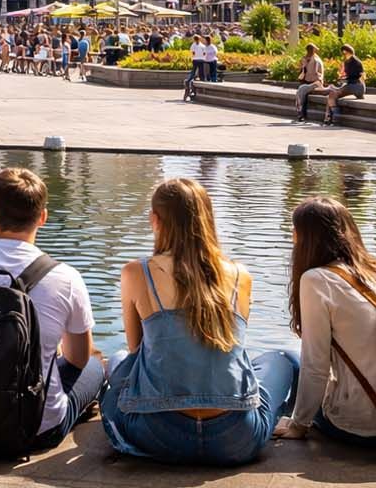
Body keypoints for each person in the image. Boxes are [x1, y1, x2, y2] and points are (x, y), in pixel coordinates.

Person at [99, 178, 297, 466]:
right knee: (280, 361)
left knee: (117, 359)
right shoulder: (240, 275)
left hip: (158, 435)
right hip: (235, 438)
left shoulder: (136, 273)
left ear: (155, 220)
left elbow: (137, 351)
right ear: (207, 219)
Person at [0, 167, 103, 452]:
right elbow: (78, 358)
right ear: (43, 217)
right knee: (96, 366)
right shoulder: (66, 277)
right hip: (32, 430)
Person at [273, 197, 376, 448]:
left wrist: (299, 425)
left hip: (362, 425)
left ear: (306, 238)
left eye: (295, 231)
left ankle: (288, 425)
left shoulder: (317, 279)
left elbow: (316, 365)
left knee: (287, 362)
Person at [323, 45, 365, 125]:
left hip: (356, 86)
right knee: (332, 94)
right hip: (353, 86)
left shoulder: (356, 62)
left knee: (332, 94)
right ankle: (328, 117)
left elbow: (360, 76)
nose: (343, 54)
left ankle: (335, 118)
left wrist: (345, 80)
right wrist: (343, 79)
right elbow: (350, 76)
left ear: (346, 51)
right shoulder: (348, 62)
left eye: (344, 52)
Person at [293, 43, 326, 123]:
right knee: (300, 92)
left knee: (302, 90)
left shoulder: (317, 60)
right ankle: (300, 113)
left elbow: (319, 75)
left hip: (315, 83)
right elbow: (301, 72)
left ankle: (301, 113)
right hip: (306, 82)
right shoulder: (304, 59)